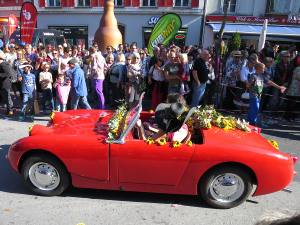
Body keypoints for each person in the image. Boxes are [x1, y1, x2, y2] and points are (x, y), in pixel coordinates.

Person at [284, 55, 300, 121]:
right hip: (294, 89)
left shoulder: (296, 68)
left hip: (295, 89)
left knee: (292, 103)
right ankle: (288, 117)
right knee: (291, 104)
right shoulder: (298, 68)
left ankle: (290, 116)